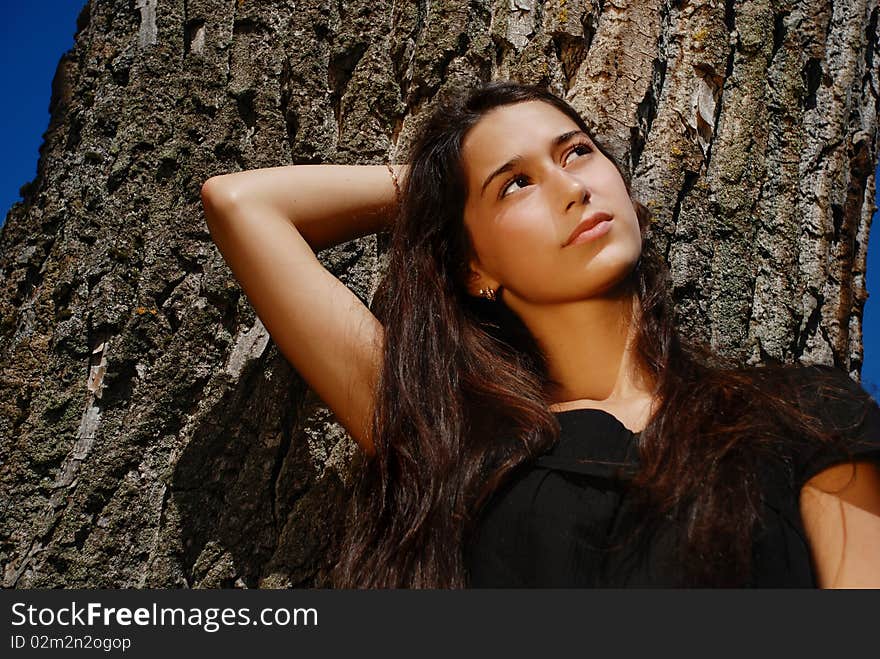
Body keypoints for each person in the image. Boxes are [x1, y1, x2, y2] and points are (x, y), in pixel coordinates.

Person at [200, 80, 880, 588]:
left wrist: (499, 185)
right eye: (516, 184)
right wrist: (435, 190)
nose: (570, 187)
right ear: (476, 267)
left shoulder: (798, 412)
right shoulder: (451, 437)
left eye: (578, 152)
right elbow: (242, 204)